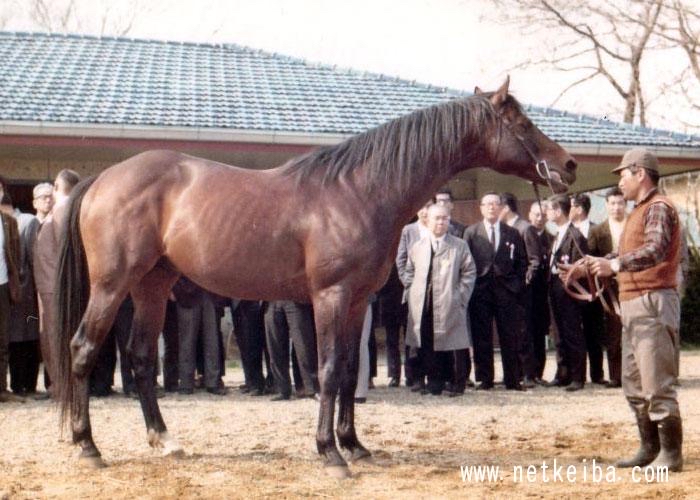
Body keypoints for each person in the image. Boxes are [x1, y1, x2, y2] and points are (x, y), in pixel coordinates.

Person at [589, 148, 683, 472]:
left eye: (623, 175)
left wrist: (613, 263)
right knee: (634, 383)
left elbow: (655, 249)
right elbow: (629, 251)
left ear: (640, 173)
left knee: (656, 383)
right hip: (635, 305)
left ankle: (670, 455)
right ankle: (650, 448)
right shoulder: (640, 211)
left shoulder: (657, 207)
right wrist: (590, 264)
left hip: (652, 303)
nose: (621, 183)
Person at [405, 204, 476, 396]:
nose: (441, 222)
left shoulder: (459, 245)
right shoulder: (418, 246)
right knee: (428, 342)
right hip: (424, 303)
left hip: (450, 300)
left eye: (445, 218)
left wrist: (460, 296)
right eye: (437, 218)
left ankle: (457, 382)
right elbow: (409, 271)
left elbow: (469, 272)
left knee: (454, 345)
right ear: (427, 221)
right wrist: (412, 292)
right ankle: (434, 381)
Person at [463, 192, 527, 391]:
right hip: (480, 292)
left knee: (509, 335)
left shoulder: (512, 233)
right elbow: (466, 263)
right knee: (481, 336)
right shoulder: (471, 233)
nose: (491, 207)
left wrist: (515, 285)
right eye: (487, 204)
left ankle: (513, 379)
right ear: (481, 208)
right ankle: (485, 378)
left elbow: (521, 262)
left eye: (495, 204)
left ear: (501, 207)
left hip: (506, 291)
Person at [33, 169, 81, 385]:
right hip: (51, 283)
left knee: (56, 336)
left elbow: (65, 250)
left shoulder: (63, 210)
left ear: (56, 186)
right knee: (52, 335)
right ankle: (60, 383)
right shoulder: (64, 209)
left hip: (54, 284)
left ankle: (61, 385)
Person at [545, 194, 588, 392]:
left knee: (572, 331)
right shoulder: (557, 234)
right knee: (559, 332)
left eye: (550, 209)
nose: (547, 213)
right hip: (554, 286)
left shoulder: (575, 236)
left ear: (558, 211)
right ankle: (563, 373)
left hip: (569, 288)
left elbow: (580, 265)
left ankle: (578, 377)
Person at [500, 192, 541, 387]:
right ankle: (515, 373)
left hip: (522, 291)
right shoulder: (505, 229)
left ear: (506, 208)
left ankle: (528, 374)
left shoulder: (525, 228)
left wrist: (523, 284)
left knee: (524, 332)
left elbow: (534, 260)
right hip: (507, 292)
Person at [587, 187, 627, 388]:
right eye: (612, 203)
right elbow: (590, 260)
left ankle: (636, 375)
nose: (616, 207)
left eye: (620, 203)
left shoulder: (633, 227)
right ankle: (616, 376)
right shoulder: (597, 231)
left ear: (625, 204)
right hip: (609, 289)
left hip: (633, 284)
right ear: (606, 205)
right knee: (613, 332)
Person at [4, 193, 42, 397]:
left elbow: (34, 257)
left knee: (29, 334)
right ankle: (18, 384)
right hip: (9, 291)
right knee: (13, 338)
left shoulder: (27, 221)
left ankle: (28, 384)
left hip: (27, 293)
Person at [396, 200, 433, 388]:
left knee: (432, 334)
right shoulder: (408, 230)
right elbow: (401, 261)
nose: (425, 211)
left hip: (437, 292)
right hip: (414, 292)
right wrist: (409, 285)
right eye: (422, 207)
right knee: (413, 336)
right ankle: (415, 377)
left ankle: (434, 375)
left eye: (429, 207)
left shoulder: (441, 228)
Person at [264, 301, 318, 400]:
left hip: (294, 299)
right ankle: (282, 389)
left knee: (303, 345)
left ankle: (312, 388)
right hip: (271, 300)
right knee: (274, 347)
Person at [0, 193, 24, 403]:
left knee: (2, 339)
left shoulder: (8, 222)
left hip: (3, 285)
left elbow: (15, 253)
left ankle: (2, 389)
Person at [527, 201, 553, 382]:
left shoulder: (552, 238)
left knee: (540, 332)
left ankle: (538, 373)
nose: (539, 219)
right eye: (536, 214)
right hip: (528, 292)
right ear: (529, 215)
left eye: (543, 215)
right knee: (526, 332)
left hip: (544, 292)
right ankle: (527, 372)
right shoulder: (523, 234)